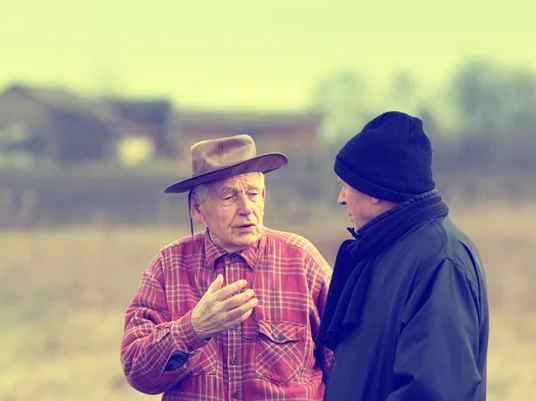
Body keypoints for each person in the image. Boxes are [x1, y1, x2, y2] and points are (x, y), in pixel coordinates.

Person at [120, 134, 334, 400]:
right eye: (229, 196)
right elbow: (136, 372)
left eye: (253, 193)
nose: (246, 208)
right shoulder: (168, 266)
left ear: (264, 196)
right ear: (197, 208)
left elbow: (345, 364)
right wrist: (193, 329)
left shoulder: (302, 260)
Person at [317, 111, 489, 401]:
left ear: (374, 190)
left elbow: (433, 392)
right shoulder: (384, 249)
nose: (341, 198)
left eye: (345, 185)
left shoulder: (441, 260)